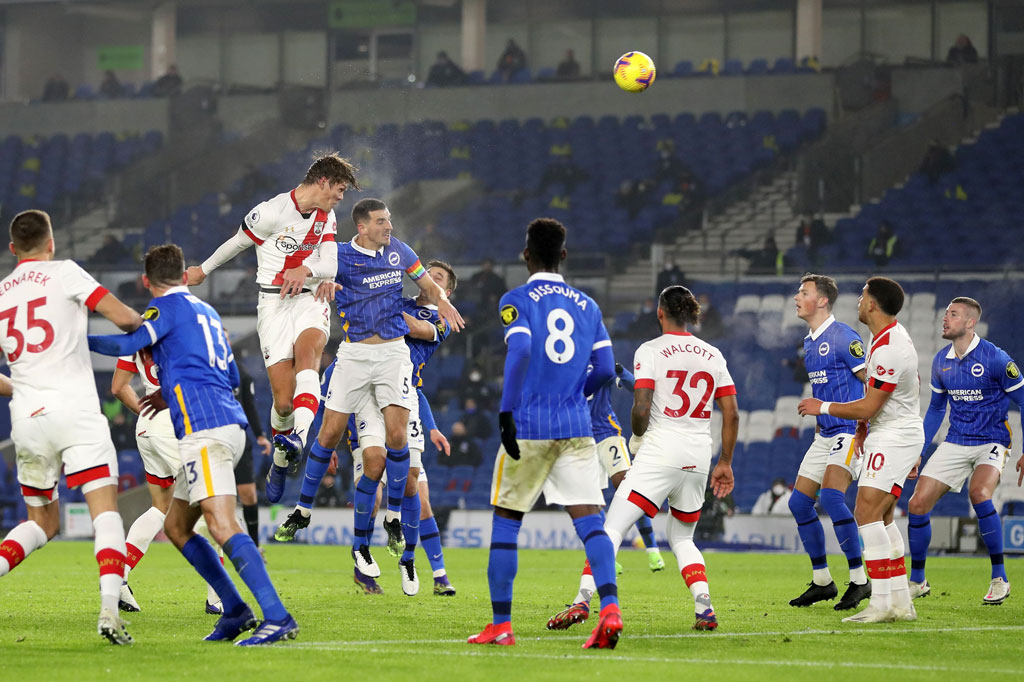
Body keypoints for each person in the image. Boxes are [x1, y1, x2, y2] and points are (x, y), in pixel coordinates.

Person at [87, 244, 298, 645]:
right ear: (185, 276)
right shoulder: (209, 314)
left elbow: (126, 345)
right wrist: (172, 391)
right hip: (224, 423)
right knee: (178, 525)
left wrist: (77, 342)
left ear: (147, 282)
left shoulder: (163, 310)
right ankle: (235, 611)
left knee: (220, 523)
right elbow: (232, 377)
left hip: (206, 429)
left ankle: (277, 615)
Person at [284, 199, 463, 586]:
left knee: (404, 464)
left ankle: (409, 545)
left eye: (390, 220)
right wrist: (320, 277)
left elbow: (425, 298)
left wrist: (442, 301)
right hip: (354, 358)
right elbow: (319, 269)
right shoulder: (345, 257)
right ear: (362, 227)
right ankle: (315, 518)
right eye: (382, 221)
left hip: (395, 365)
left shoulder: (405, 263)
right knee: (344, 443)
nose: (390, 226)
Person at [545, 286, 738, 634]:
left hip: (660, 453)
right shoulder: (713, 354)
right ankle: (704, 605)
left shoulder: (651, 350)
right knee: (682, 538)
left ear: (660, 313)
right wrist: (725, 461)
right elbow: (732, 413)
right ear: (692, 314)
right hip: (698, 456)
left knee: (611, 529)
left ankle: (582, 600)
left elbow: (642, 406)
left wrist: (636, 436)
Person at [468, 217, 620, 649]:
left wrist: (506, 411)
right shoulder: (589, 306)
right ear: (564, 255)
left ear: (526, 255)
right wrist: (577, 392)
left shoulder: (517, 298)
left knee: (507, 520)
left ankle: (501, 625)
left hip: (531, 424)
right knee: (591, 523)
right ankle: (609, 610)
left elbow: (520, 348)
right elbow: (607, 370)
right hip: (576, 426)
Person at [0, 209, 141, 644]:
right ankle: (107, 609)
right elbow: (125, 318)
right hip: (76, 411)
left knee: (42, 521)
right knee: (104, 512)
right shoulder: (65, 272)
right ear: (52, 243)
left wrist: (22, 387)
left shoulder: (1, 292)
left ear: (12, 250)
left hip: (26, 417)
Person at [187, 153, 358, 503]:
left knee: (309, 357)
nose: (340, 197)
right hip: (273, 304)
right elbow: (237, 242)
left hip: (310, 299)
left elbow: (329, 262)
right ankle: (280, 462)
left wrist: (307, 272)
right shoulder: (270, 213)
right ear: (322, 181)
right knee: (283, 403)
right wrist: (203, 270)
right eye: (339, 189)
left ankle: (298, 437)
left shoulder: (327, 215)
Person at [798, 276, 923, 623]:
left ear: (873, 304)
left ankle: (880, 602)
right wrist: (868, 429)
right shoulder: (881, 338)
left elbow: (868, 405)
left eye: (863, 296)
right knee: (882, 517)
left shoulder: (887, 348)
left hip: (895, 435)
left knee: (865, 512)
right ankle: (901, 603)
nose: (858, 300)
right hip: (893, 432)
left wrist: (822, 407)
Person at [906, 297, 1024, 605]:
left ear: (970, 322)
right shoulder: (941, 361)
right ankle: (917, 581)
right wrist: (919, 450)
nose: (945, 319)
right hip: (956, 441)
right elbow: (934, 410)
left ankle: (1000, 578)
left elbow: (1023, 400)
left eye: (953, 314)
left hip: (992, 440)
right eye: (945, 313)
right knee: (917, 504)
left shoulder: (996, 358)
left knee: (980, 493)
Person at [787, 274, 871, 611]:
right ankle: (822, 581)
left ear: (822, 300)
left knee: (834, 498)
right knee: (798, 505)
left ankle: (860, 580)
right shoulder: (809, 341)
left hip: (849, 432)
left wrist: (872, 426)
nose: (796, 297)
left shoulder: (843, 337)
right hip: (824, 435)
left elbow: (873, 382)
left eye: (803, 292)